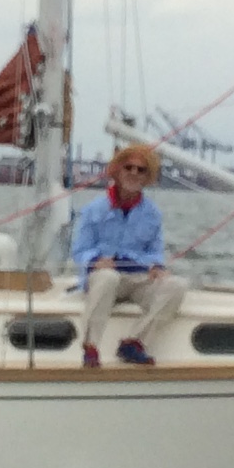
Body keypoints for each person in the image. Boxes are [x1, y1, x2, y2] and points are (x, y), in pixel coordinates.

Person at [72, 141, 186, 366]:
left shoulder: (152, 214)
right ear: (117, 171)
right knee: (107, 278)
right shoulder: (94, 208)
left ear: (147, 177)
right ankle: (91, 347)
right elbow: (79, 250)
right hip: (103, 277)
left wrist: (155, 266)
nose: (134, 173)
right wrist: (96, 261)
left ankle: (134, 343)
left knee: (177, 285)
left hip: (137, 278)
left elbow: (155, 252)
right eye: (129, 167)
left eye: (141, 170)